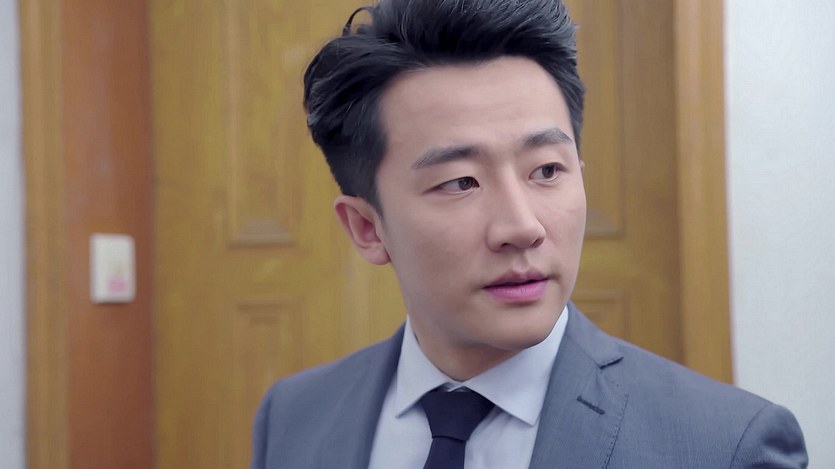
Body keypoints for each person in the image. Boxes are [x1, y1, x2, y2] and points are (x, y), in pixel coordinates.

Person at [251, 0, 808, 467]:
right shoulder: (293, 417)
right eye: (460, 182)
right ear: (368, 228)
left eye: (546, 170)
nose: (522, 227)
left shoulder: (728, 446)